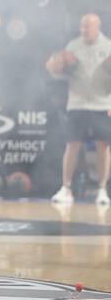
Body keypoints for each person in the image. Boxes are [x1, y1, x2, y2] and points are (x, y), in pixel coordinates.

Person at [46, 13, 111, 206]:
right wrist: (54, 66)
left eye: (88, 26)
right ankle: (66, 188)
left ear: (97, 27)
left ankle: (102, 190)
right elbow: (59, 73)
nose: (84, 30)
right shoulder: (73, 46)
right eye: (83, 26)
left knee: (103, 147)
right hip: (77, 103)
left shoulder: (108, 47)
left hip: (102, 104)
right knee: (72, 145)